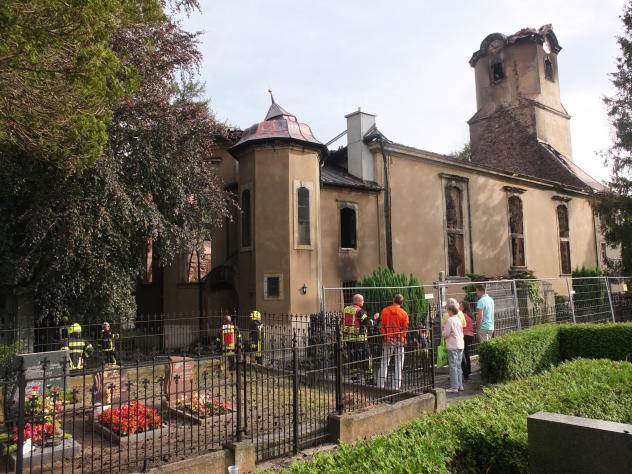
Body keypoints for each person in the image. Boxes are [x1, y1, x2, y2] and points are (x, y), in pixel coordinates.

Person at [377, 294, 409, 390]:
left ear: (393, 300)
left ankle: (380, 385)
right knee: (399, 363)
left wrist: (387, 337)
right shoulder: (404, 313)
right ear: (402, 303)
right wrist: (400, 337)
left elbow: (382, 326)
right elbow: (405, 329)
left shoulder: (385, 311)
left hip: (388, 340)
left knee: (384, 362)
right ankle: (395, 387)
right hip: (399, 341)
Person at [342, 294, 372, 381]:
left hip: (348, 338)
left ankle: (354, 377)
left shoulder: (346, 309)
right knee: (366, 357)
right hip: (360, 339)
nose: (363, 302)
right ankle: (369, 378)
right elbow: (368, 323)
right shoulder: (360, 311)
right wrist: (374, 318)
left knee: (353, 357)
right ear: (358, 301)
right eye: (362, 300)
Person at [443, 303, 464, 393]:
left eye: (448, 310)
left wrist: (443, 333)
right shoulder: (458, 319)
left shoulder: (450, 320)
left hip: (452, 345)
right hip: (460, 344)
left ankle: (454, 387)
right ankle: (460, 385)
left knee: (453, 366)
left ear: (451, 311)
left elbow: (446, 333)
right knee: (458, 366)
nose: (447, 312)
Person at [460, 301, 475, 379]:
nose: (459, 307)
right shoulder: (469, 315)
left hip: (465, 335)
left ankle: (466, 372)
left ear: (464, 307)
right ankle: (468, 370)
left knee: (463, 355)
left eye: (460, 306)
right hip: (470, 335)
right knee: (466, 353)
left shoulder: (463, 315)